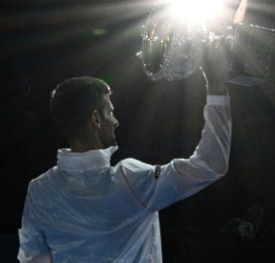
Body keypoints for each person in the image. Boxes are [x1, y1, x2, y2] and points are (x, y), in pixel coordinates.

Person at [17, 40, 232, 262]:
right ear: (96, 119)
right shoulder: (130, 180)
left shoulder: (39, 190)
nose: (116, 121)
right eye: (110, 112)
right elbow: (210, 164)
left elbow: (32, 258)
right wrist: (216, 87)